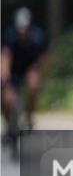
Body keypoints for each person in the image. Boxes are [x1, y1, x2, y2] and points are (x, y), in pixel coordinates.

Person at [1, 7, 48, 135]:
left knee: (34, 85)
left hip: (30, 69)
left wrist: (38, 69)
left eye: (25, 29)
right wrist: (5, 77)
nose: (23, 32)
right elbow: (5, 56)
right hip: (14, 71)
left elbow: (45, 57)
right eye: (20, 29)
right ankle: (9, 126)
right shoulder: (10, 36)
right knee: (7, 99)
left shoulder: (39, 37)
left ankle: (29, 115)